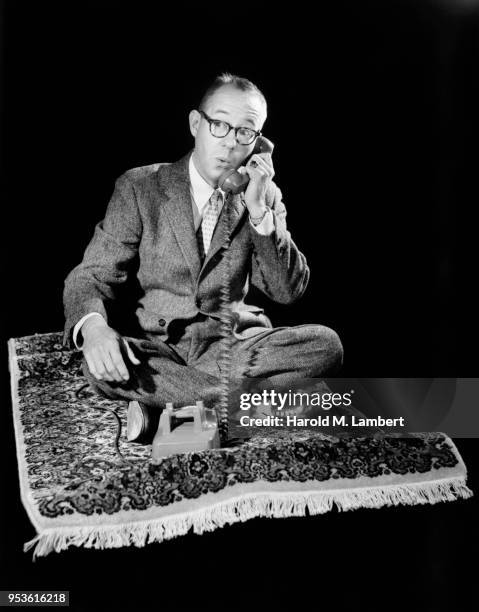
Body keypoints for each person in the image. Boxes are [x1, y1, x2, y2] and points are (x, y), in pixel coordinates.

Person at [63, 73, 343, 442]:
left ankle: (181, 418)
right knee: (101, 364)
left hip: (234, 348)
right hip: (161, 351)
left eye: (245, 132)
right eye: (219, 125)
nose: (230, 143)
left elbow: (287, 291)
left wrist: (259, 212)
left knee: (326, 345)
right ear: (196, 124)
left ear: (259, 144)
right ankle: (271, 410)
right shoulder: (140, 187)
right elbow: (90, 276)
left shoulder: (263, 196)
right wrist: (96, 330)